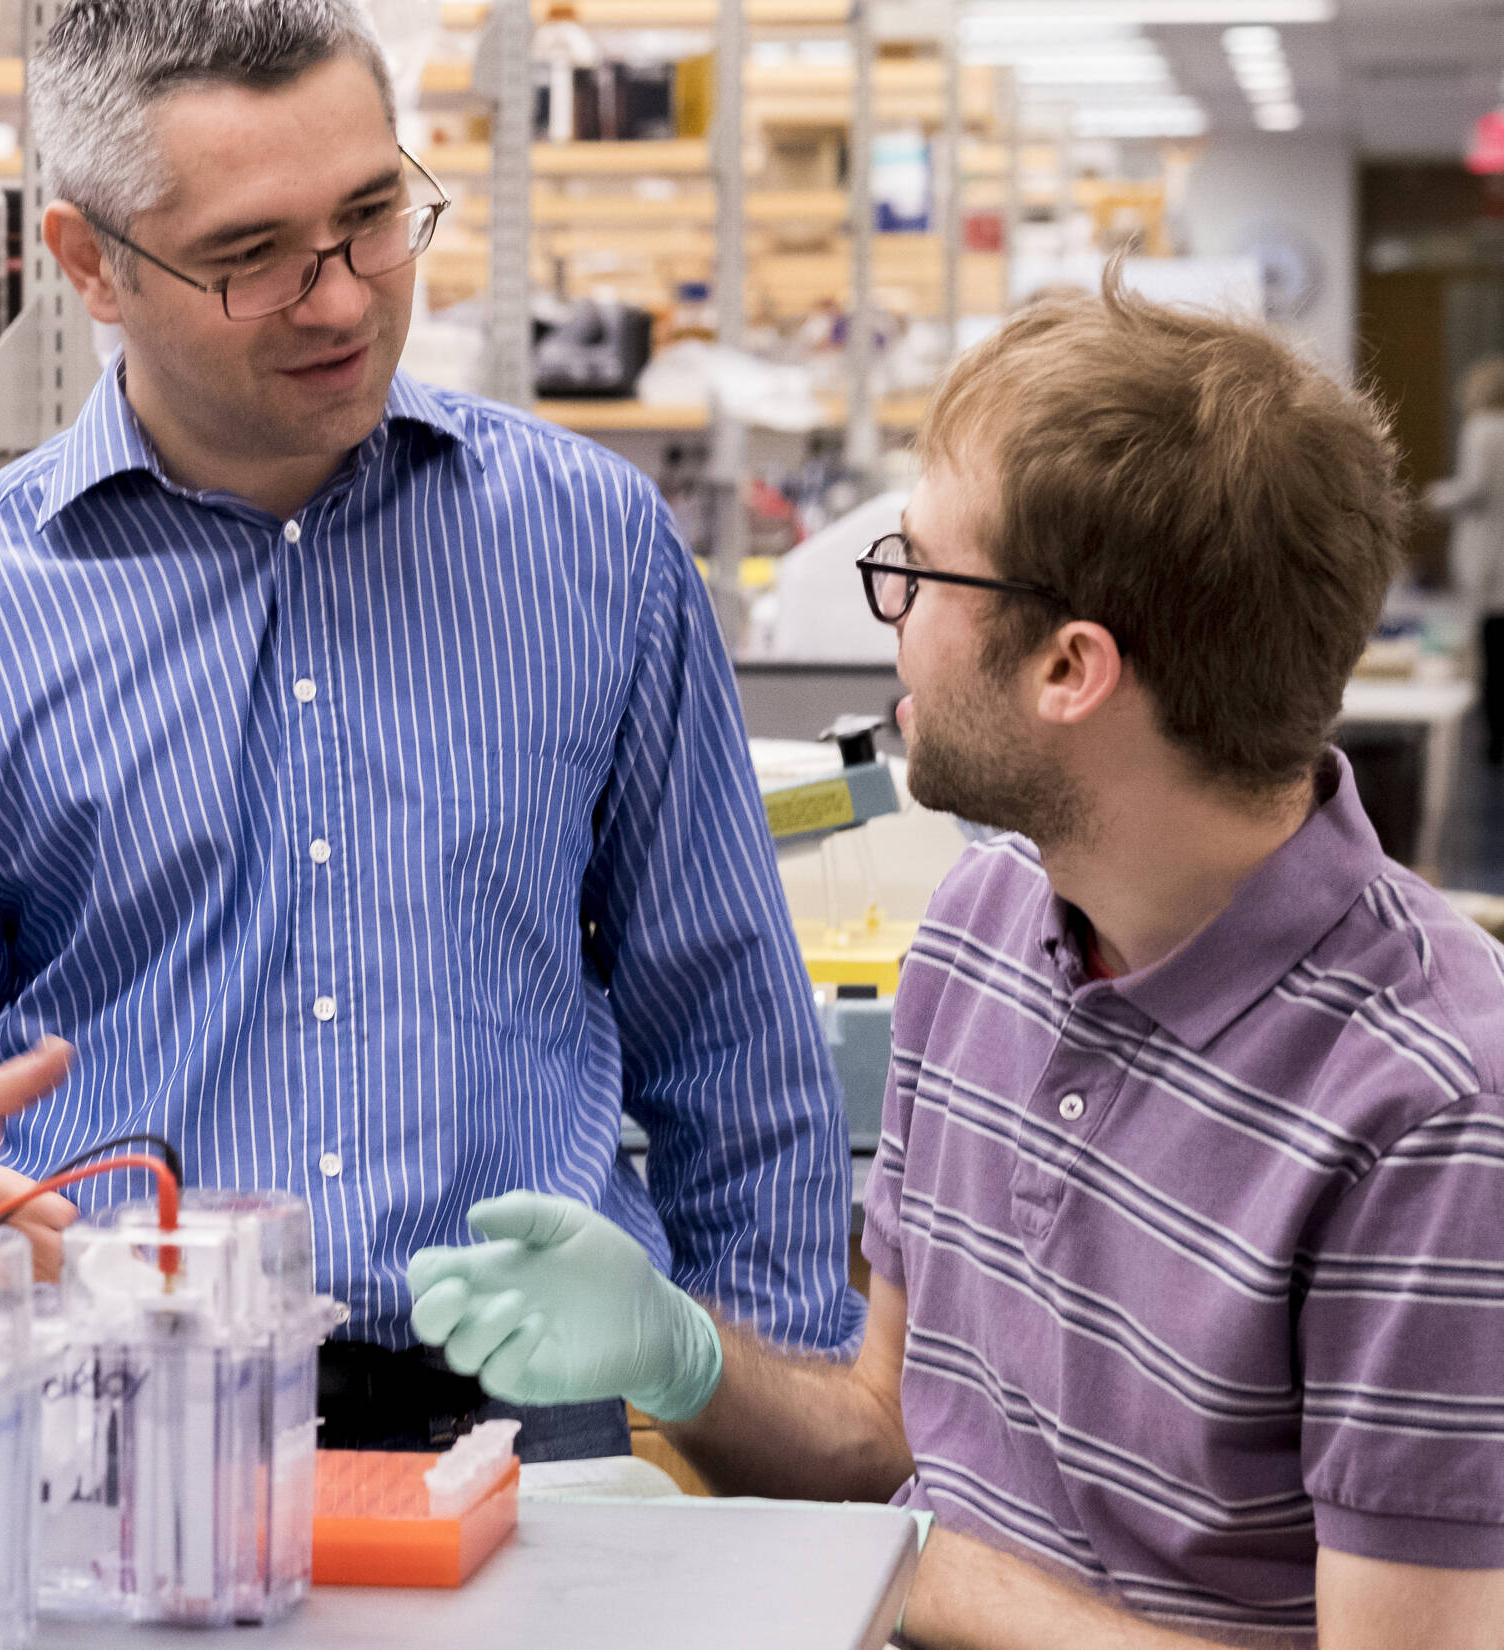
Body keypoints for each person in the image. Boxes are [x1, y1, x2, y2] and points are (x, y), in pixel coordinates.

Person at [0, 0, 859, 1464]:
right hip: (117, 1449)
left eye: (374, 216)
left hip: (539, 1443)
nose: (340, 300)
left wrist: (778, 1450)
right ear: (90, 267)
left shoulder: (593, 550)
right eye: (251, 256)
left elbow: (732, 1046)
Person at [404, 274, 1504, 1646]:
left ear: (1069, 669)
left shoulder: (1433, 1110)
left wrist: (904, 1568)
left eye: (918, 571)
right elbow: (885, 1438)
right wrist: (686, 1360)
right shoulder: (987, 923)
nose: (892, 614)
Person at [1423, 357, 1504, 763]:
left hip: (1491, 557)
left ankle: (1493, 742)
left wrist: (1436, 496)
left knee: (1492, 650)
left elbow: (1474, 489)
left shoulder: (1481, 429)